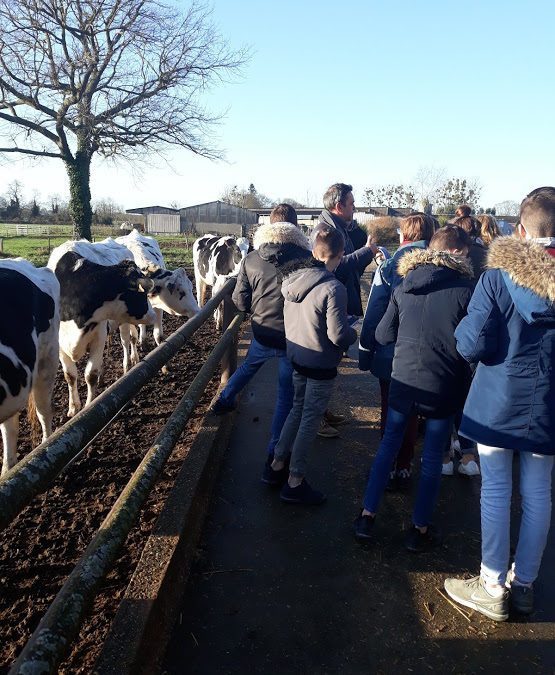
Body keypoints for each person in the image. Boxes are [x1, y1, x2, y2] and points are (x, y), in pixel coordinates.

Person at [444, 187, 555, 621]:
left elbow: (469, 343)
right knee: (540, 493)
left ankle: (491, 585)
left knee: (495, 489)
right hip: (547, 404)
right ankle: (524, 584)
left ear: (521, 229)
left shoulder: (496, 277)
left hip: (497, 400)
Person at [354, 226, 475, 551]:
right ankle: (419, 529)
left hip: (404, 380)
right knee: (433, 456)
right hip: (443, 384)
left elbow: (382, 334)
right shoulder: (467, 290)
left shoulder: (404, 285)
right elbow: (473, 343)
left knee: (389, 445)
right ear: (459, 254)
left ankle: (366, 516)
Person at [210, 204, 312, 465]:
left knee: (248, 367)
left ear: (269, 225)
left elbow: (240, 300)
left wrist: (255, 310)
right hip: (293, 335)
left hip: (263, 331)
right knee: (285, 394)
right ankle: (274, 450)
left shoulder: (252, 258)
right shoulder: (305, 257)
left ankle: (224, 398)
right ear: (295, 227)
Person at [265, 225, 358, 505]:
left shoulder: (293, 279)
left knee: (297, 410)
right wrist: (356, 330)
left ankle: (276, 465)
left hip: (297, 356)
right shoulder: (333, 287)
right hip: (320, 362)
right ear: (339, 255)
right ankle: (295, 480)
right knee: (310, 419)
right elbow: (338, 335)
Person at [359, 213, 437, 491]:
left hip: (392, 352)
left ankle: (389, 464)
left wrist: (366, 351)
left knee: (390, 408)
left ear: (404, 235)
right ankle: (405, 465)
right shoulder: (443, 265)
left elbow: (375, 311)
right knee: (415, 412)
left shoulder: (390, 267)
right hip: (430, 355)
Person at [313, 182, 379, 437]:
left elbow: (347, 266)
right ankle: (316, 417)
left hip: (338, 299)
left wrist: (366, 255)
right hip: (330, 303)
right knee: (324, 363)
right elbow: (338, 267)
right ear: (339, 206)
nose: (354, 208)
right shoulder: (327, 231)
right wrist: (367, 252)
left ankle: (322, 410)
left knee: (332, 362)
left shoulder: (339, 228)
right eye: (352, 204)